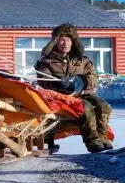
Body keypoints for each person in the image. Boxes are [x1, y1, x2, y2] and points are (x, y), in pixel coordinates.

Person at [35, 23, 112, 153]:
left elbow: (94, 77)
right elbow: (43, 80)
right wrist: (58, 84)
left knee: (103, 106)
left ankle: (101, 136)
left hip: (82, 92)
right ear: (55, 42)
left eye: (69, 40)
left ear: (73, 42)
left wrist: (82, 81)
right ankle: (92, 142)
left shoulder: (83, 60)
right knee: (85, 107)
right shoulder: (46, 62)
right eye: (62, 40)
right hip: (61, 97)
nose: (65, 43)